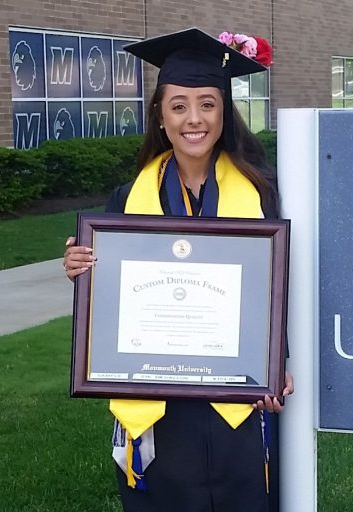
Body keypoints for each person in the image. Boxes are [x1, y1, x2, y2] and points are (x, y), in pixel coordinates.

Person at [62, 27, 293, 512]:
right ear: (161, 118)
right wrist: (84, 270)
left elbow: (282, 288)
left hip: (238, 407)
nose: (194, 119)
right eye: (179, 105)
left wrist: (278, 365)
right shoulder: (125, 203)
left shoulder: (265, 193)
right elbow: (110, 306)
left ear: (224, 112)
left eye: (207, 104)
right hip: (159, 408)